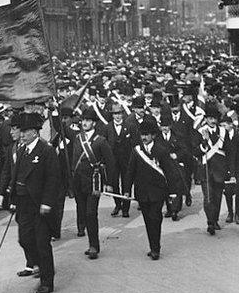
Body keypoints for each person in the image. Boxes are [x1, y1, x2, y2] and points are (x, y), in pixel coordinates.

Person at [0, 112, 61, 293]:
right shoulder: (22, 150)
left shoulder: (46, 150)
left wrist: (48, 202)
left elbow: (53, 179)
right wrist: (8, 195)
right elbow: (14, 175)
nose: (21, 135)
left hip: (39, 204)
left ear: (35, 132)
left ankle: (47, 281)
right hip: (23, 204)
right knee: (24, 239)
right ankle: (40, 264)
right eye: (20, 131)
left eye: (25, 132)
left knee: (42, 242)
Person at [124, 120, 180, 260]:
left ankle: (156, 248)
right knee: (148, 220)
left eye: (147, 135)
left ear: (153, 135)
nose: (144, 137)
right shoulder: (136, 151)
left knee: (156, 218)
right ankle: (152, 246)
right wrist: (126, 190)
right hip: (142, 192)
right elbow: (130, 171)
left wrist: (173, 192)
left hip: (157, 192)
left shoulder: (161, 150)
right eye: (142, 134)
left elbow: (170, 172)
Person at [70, 109, 115, 259]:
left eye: (88, 120)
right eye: (83, 120)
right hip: (78, 182)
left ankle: (94, 246)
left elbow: (110, 162)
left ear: (94, 123)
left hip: (93, 182)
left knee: (91, 214)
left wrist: (110, 183)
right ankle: (91, 243)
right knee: (83, 213)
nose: (85, 123)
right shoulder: (77, 138)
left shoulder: (100, 140)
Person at [197, 104, 230, 235]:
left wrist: (228, 169)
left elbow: (228, 150)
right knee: (208, 197)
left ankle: (215, 219)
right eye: (210, 118)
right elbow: (195, 150)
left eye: (214, 118)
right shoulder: (200, 132)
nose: (212, 121)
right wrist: (203, 143)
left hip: (220, 168)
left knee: (217, 197)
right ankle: (210, 222)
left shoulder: (223, 132)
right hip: (205, 167)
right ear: (206, 119)